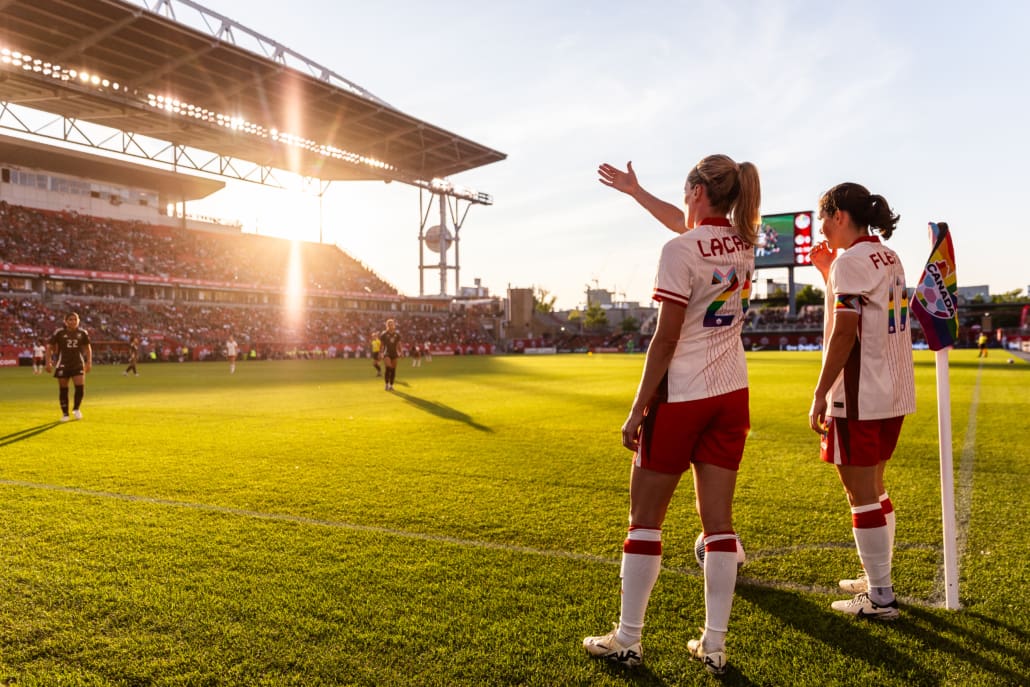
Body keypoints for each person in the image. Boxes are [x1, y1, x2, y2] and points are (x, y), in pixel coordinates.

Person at [583, 156, 761, 675]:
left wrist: (638, 407)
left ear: (696, 189)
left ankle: (629, 638)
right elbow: (692, 232)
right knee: (720, 525)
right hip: (732, 392)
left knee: (644, 522)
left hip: (683, 393)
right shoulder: (744, 243)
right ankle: (714, 643)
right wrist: (637, 193)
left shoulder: (679, 249)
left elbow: (665, 338)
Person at [808, 182, 916, 621]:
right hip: (893, 390)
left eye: (823, 220)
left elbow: (845, 331)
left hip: (859, 393)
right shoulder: (889, 256)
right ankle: (877, 577)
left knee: (860, 495)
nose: (822, 230)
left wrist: (820, 391)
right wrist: (826, 272)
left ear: (838, 215)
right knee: (875, 486)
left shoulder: (851, 261)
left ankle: (880, 595)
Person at [46, 312, 92, 421]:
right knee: (63, 389)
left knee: (80, 387)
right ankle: (65, 414)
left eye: (75, 319)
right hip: (63, 364)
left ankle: (76, 409)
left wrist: (89, 362)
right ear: (65, 321)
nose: (73, 321)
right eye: (70, 319)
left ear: (78, 321)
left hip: (78, 363)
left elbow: (88, 348)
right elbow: (49, 347)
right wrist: (48, 362)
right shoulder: (59, 333)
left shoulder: (82, 333)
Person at [379, 318, 401, 390]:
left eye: (392, 324)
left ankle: (391, 385)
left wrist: (401, 352)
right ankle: (386, 384)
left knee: (393, 370)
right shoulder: (384, 334)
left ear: (394, 325)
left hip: (394, 353)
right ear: (387, 325)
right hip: (387, 353)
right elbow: (381, 345)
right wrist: (380, 353)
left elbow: (398, 344)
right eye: (389, 324)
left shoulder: (397, 334)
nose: (391, 325)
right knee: (388, 368)